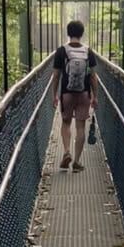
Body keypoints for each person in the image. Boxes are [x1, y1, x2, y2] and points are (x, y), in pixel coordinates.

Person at [51, 20, 98, 172]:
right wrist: (94, 96)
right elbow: (93, 76)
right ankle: (77, 162)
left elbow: (56, 75)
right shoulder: (88, 51)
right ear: (82, 33)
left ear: (68, 32)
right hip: (84, 94)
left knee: (65, 123)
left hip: (66, 94)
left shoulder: (61, 51)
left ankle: (66, 152)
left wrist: (54, 95)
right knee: (80, 127)